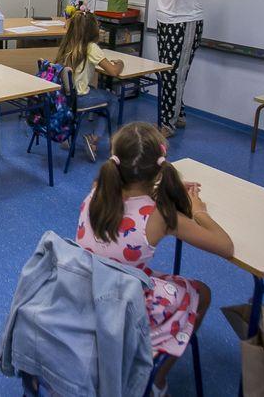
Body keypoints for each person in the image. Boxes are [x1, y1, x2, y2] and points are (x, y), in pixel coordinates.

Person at [75, 122, 233, 397]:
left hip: (84, 290)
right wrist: (199, 210)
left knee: (149, 274)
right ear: (159, 169)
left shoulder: (97, 189)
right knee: (202, 292)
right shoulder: (159, 215)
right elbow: (226, 246)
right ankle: (156, 381)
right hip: (124, 306)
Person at [137, 0, 206, 138]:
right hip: (165, 22)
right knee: (167, 71)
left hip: (185, 24)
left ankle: (169, 123)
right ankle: (179, 114)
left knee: (174, 74)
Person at [54, 10, 124, 161]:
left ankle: (67, 133)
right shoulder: (91, 47)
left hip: (63, 97)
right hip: (79, 99)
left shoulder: (67, 43)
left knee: (93, 90)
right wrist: (120, 63)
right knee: (112, 99)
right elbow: (113, 71)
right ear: (92, 29)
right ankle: (93, 138)